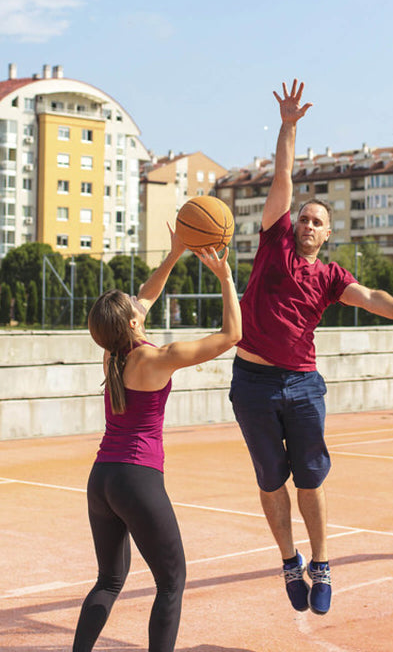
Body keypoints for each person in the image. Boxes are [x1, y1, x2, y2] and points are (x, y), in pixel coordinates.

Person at [230, 80, 393, 616]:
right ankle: (288, 560)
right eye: (304, 217)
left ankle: (322, 562)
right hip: (252, 382)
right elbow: (283, 176)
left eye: (317, 221)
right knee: (269, 479)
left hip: (302, 385)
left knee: (311, 477)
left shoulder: (329, 277)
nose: (307, 224)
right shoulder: (273, 240)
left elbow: (370, 296)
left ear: (328, 234)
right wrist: (288, 125)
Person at [73, 225, 241, 652]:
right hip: (137, 478)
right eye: (134, 305)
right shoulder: (156, 358)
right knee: (171, 581)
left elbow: (146, 294)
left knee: (109, 580)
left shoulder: (113, 351)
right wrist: (224, 278)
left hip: (102, 479)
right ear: (132, 321)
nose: (139, 301)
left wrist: (174, 253)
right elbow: (231, 336)